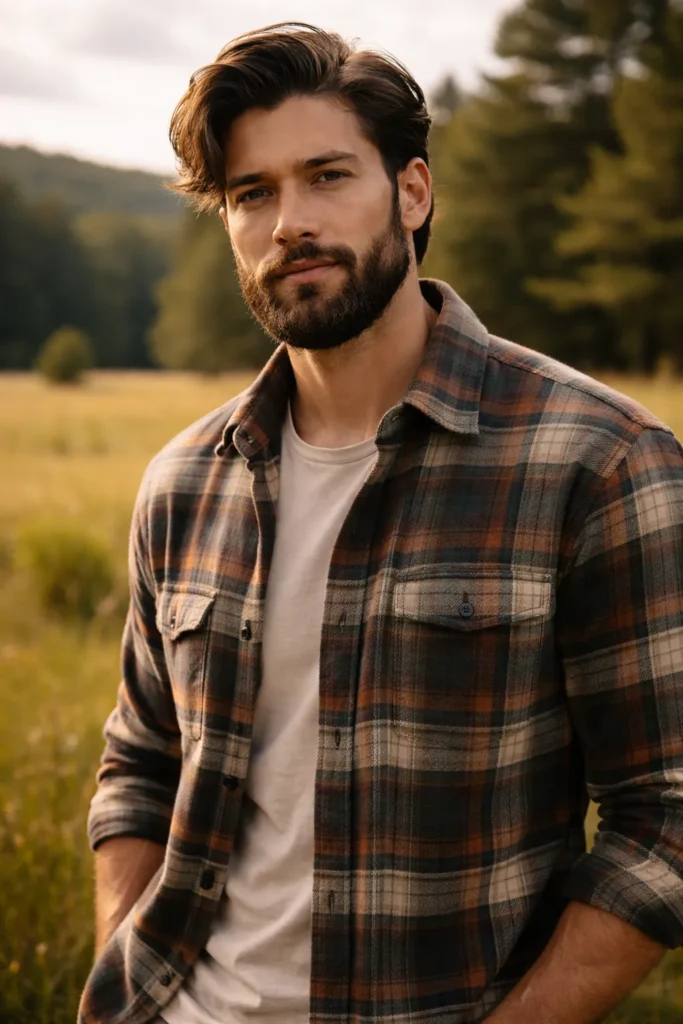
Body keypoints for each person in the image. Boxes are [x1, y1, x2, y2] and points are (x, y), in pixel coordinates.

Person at [78, 22, 683, 1024]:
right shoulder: (184, 483)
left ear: (412, 192)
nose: (289, 223)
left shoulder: (599, 461)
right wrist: (122, 970)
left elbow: (662, 818)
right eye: (251, 194)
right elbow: (141, 765)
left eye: (326, 176)